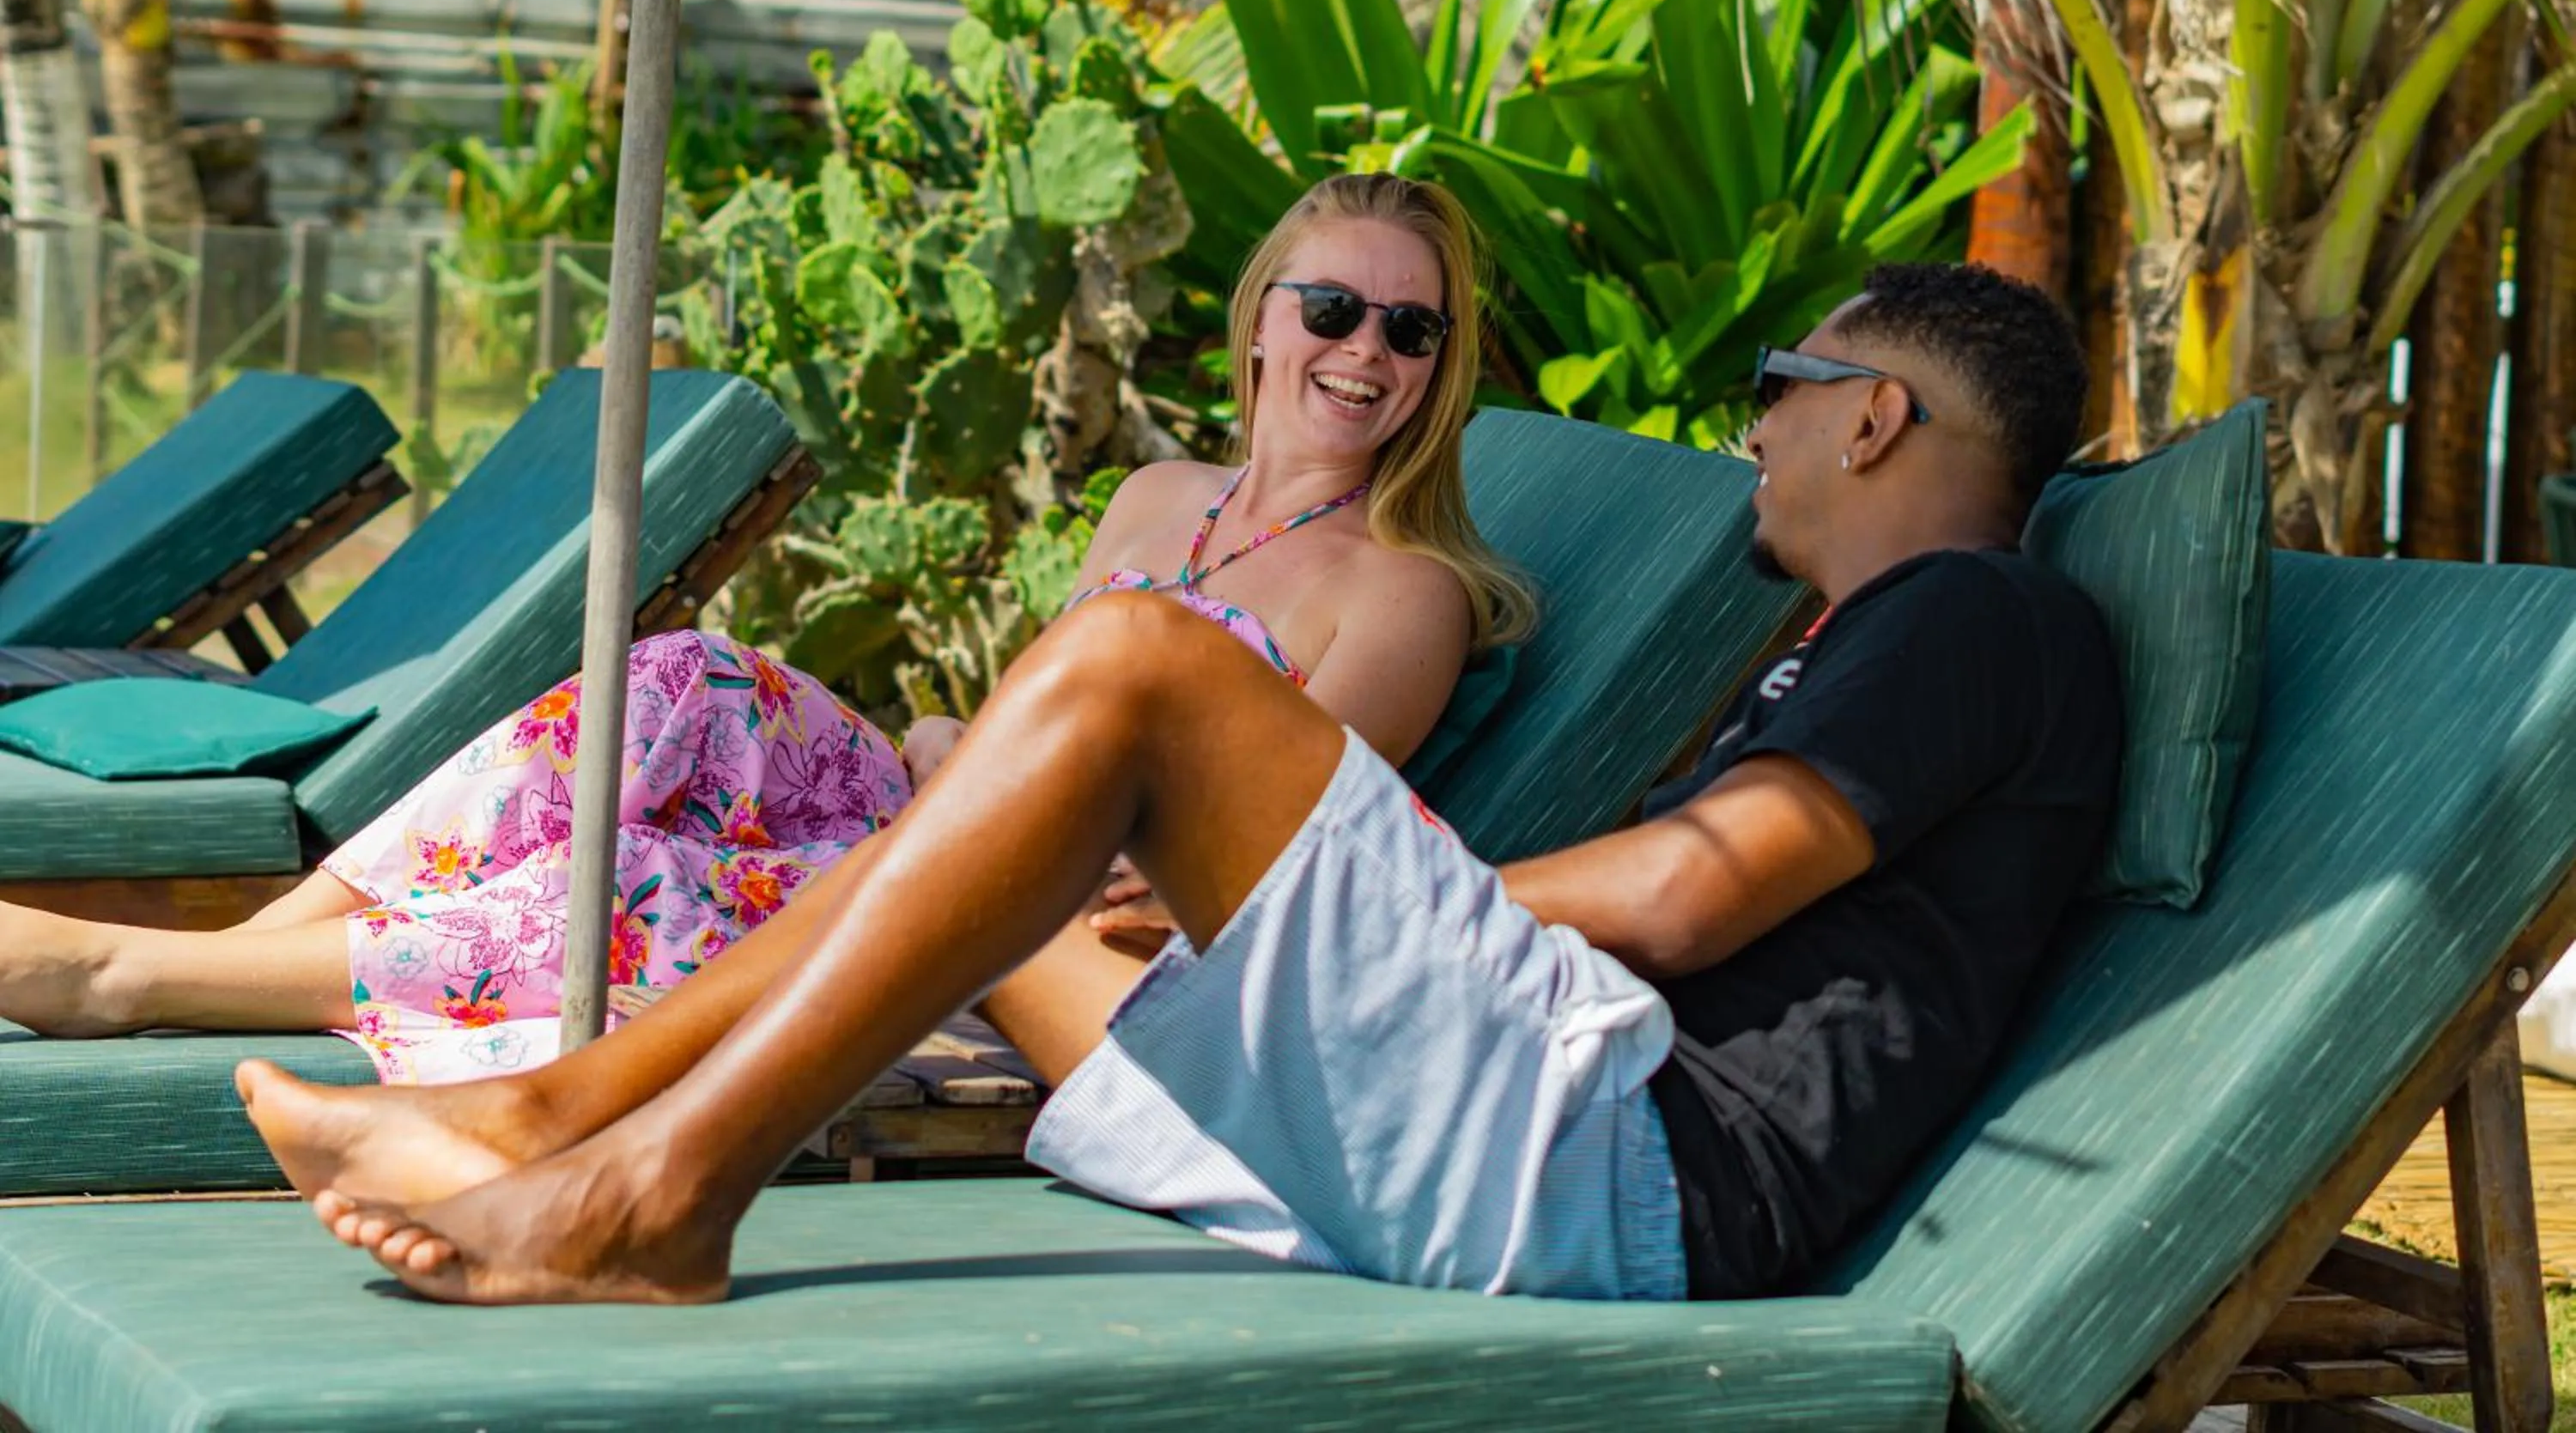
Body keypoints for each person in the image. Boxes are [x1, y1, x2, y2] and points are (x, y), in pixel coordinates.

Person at [243, 259, 2121, 1309]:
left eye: (1782, 392)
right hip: (1511, 1156)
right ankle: (542, 1113)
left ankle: (654, 1192)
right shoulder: (1890, 636)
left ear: (1875, 414)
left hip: (1632, 1169)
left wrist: (1351, 895)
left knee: (1144, 659)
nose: (1758, 437)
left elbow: (1699, 895)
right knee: (961, 877)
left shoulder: (1975, 612)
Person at [0, 173, 1531, 1079]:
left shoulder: (1399, 592)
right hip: (966, 815)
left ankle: (132, 982)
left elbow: (1231, 864)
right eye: (1334, 310)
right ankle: (262, 953)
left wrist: (966, 767)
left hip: (1052, 929)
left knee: (660, 875)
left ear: (1439, 368)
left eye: (1411, 329)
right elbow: (1025, 727)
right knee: (679, 681)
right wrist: (946, 746)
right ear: (1266, 314)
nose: (1365, 353)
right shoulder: (1157, 500)